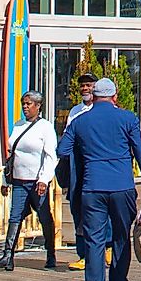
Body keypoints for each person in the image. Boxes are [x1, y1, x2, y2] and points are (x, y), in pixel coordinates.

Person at [63, 77, 141, 281]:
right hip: (121, 186)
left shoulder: (80, 121)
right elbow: (140, 150)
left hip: (92, 186)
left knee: (94, 240)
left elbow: (62, 149)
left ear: (93, 97)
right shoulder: (127, 118)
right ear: (115, 97)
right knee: (120, 236)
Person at [0, 92, 58, 271]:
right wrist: (5, 180)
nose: (25, 107)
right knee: (15, 216)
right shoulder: (18, 125)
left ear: (38, 106)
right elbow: (11, 155)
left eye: (29, 104)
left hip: (37, 181)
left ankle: (50, 252)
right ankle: (8, 255)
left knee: (44, 216)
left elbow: (50, 156)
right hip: (19, 179)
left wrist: (44, 179)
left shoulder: (45, 127)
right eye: (23, 104)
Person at [58, 73, 100, 255]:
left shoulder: (101, 109)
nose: (85, 89)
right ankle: (83, 253)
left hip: (96, 165)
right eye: (82, 85)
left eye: (89, 85)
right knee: (78, 209)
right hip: (77, 166)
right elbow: (66, 143)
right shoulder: (75, 112)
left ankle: (104, 250)